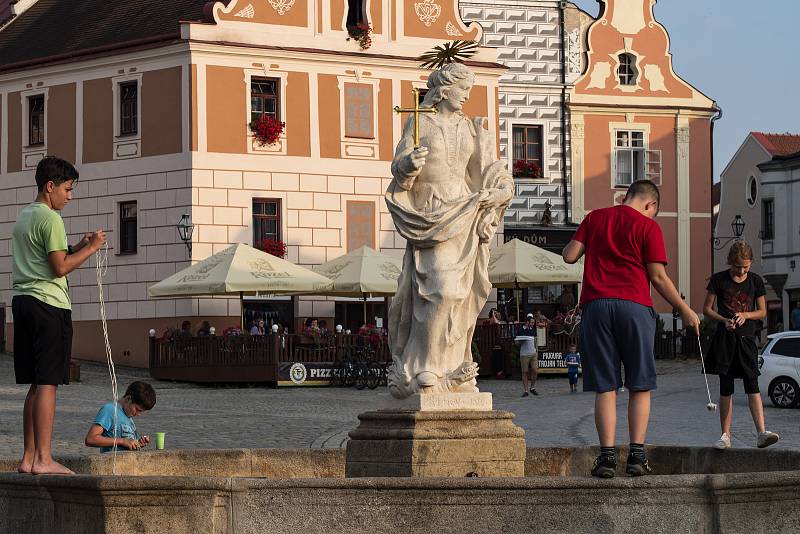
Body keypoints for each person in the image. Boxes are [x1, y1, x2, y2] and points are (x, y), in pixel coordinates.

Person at [385, 62, 514, 398]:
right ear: (444, 89)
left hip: (464, 212)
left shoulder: (470, 128)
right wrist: (407, 167)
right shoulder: (420, 121)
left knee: (461, 294)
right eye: (462, 89)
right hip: (431, 211)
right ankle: (425, 365)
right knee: (439, 290)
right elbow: (400, 168)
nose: (467, 95)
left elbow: (485, 170)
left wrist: (501, 189)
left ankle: (453, 365)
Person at [562, 179, 700, 478]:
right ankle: (637, 456)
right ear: (650, 205)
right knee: (639, 384)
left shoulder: (594, 218)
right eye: (654, 211)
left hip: (596, 307)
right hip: (634, 306)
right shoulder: (649, 227)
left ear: (627, 196)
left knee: (605, 387)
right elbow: (659, 278)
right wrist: (685, 309)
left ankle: (607, 458)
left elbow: (569, 255)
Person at [12, 156, 107, 475]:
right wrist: (92, 249)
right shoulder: (51, 219)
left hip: (23, 302)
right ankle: (44, 458)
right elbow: (60, 267)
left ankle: (27, 458)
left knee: (34, 385)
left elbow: (53, 255)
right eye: (67, 189)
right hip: (48, 305)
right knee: (48, 383)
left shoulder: (25, 216)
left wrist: (80, 244)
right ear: (49, 186)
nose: (70, 195)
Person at [702, 241, 779, 450]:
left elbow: (762, 311)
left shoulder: (755, 281)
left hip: (747, 339)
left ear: (750, 263)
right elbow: (707, 309)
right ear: (730, 263)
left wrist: (746, 314)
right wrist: (724, 320)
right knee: (726, 386)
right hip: (725, 340)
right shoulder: (719, 280)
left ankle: (761, 432)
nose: (741, 271)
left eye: (745, 266)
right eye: (738, 267)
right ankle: (725, 435)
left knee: (752, 384)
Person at [85, 381, 157, 452]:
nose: (138, 414)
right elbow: (91, 439)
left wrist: (138, 443)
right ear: (128, 398)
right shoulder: (110, 410)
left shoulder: (129, 418)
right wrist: (122, 441)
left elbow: (126, 444)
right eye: (137, 409)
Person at [515, 314, 539, 397]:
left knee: (535, 370)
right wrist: (520, 342)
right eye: (531, 322)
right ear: (527, 322)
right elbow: (516, 342)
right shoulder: (521, 329)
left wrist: (536, 349)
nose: (532, 324)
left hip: (533, 353)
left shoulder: (533, 330)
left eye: (533, 323)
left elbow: (535, 339)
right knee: (525, 372)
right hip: (524, 354)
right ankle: (526, 390)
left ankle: (532, 388)